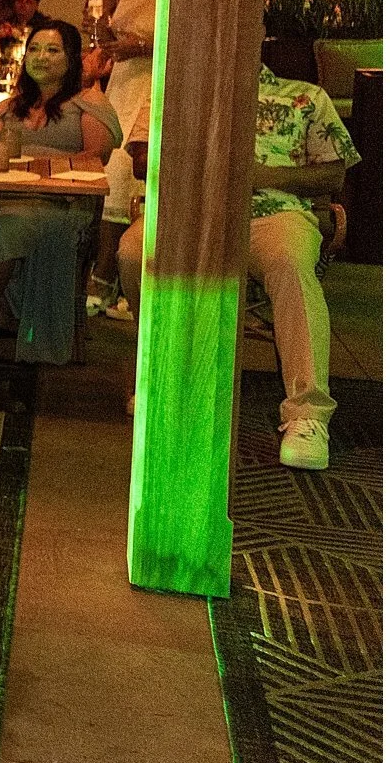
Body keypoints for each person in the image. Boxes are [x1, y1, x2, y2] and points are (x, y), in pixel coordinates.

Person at [118, 62, 357, 470]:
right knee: (134, 250)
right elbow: (140, 162)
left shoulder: (304, 96)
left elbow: (334, 174)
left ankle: (307, 415)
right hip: (190, 212)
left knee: (291, 262)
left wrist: (263, 175)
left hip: (274, 212)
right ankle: (161, 373)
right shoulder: (172, 84)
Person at [0, 19, 123, 363]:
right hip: (2, 195)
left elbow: (94, 160)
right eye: (34, 49)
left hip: (64, 203)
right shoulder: (9, 107)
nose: (40, 57)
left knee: (9, 225)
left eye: (52, 50)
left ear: (72, 58)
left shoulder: (87, 103)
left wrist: (37, 165)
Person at [91, 0, 164, 305]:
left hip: (154, 85)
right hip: (121, 84)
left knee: (128, 178)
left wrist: (140, 45)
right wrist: (102, 32)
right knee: (108, 175)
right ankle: (109, 277)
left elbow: (186, 37)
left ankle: (110, 279)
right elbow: (116, 33)